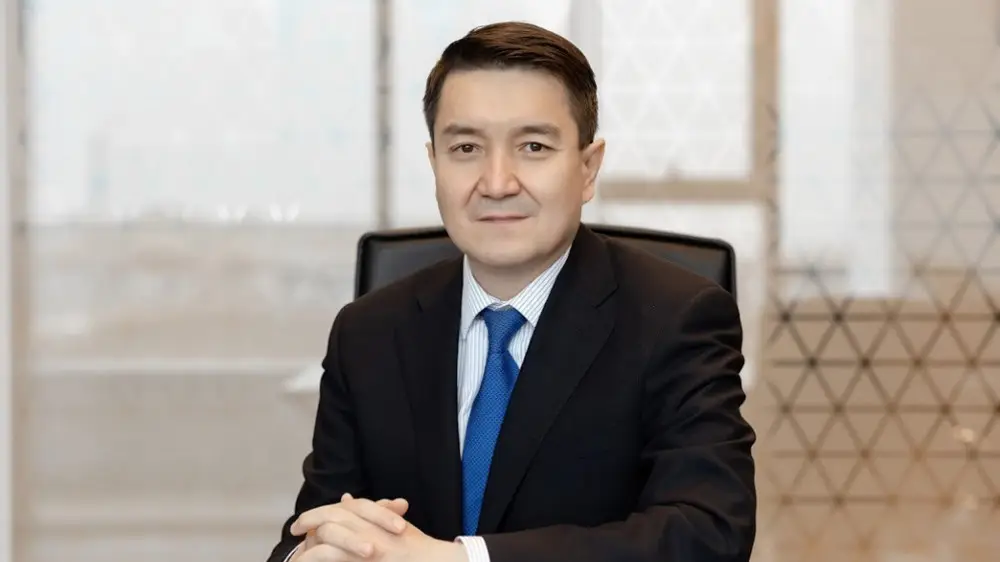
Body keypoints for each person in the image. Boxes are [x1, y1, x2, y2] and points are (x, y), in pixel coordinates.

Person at [268, 20, 756, 562]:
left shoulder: (677, 318)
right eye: (466, 147)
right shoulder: (368, 332)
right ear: (434, 164)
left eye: (533, 146)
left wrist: (459, 560)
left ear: (587, 168)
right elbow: (311, 526)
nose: (497, 183)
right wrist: (313, 555)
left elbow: (707, 534)